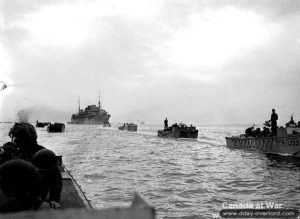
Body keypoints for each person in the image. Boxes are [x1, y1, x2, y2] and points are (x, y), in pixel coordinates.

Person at [7, 122, 62, 209]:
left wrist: (54, 199)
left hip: (35, 194)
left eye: (17, 138)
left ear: (25, 139)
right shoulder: (19, 151)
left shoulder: (43, 155)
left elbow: (55, 178)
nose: (14, 141)